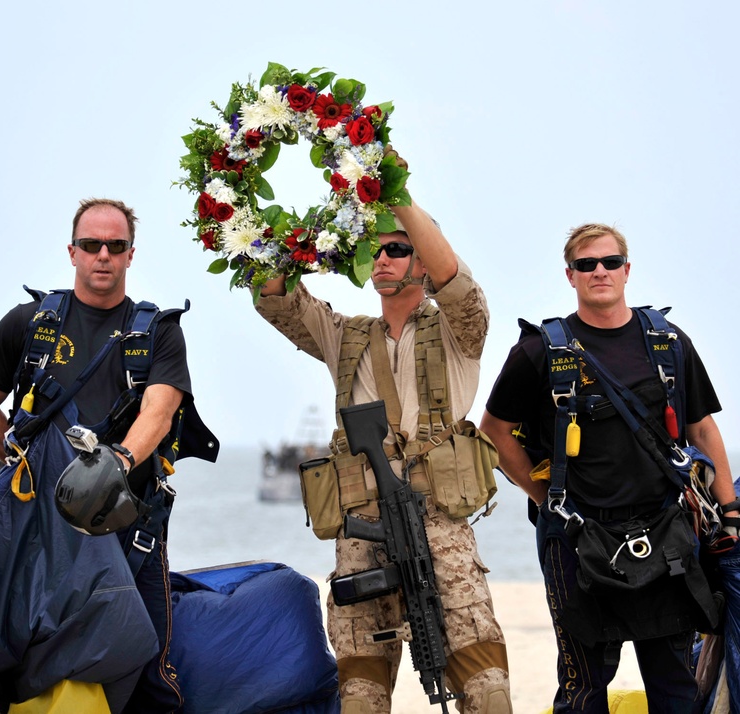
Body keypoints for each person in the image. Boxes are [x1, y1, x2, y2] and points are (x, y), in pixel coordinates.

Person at [254, 186, 512, 714]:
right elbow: (275, 296)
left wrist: (392, 193)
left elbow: (456, 285)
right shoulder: (344, 335)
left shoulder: (459, 331)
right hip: (362, 528)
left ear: (422, 255)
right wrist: (306, 237)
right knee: (361, 694)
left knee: (487, 689)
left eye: (398, 248)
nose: (383, 259)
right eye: (374, 250)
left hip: (439, 523)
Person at [0, 197, 216, 713]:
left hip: (129, 528)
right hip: (36, 531)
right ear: (72, 252)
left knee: (146, 665)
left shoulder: (159, 332)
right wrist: (34, 474)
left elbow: (159, 412)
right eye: (91, 244)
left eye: (115, 246)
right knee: (7, 655)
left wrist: (114, 469)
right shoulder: (28, 323)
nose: (103, 254)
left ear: (130, 255)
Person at [480, 223, 738, 713]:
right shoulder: (540, 350)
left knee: (677, 690)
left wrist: (730, 510)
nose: (599, 271)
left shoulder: (667, 341)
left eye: (609, 262)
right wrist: (544, 498)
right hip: (578, 539)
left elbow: (701, 427)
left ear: (627, 270)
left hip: (667, 535)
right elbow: (494, 429)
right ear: (570, 275)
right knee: (582, 692)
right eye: (586, 264)